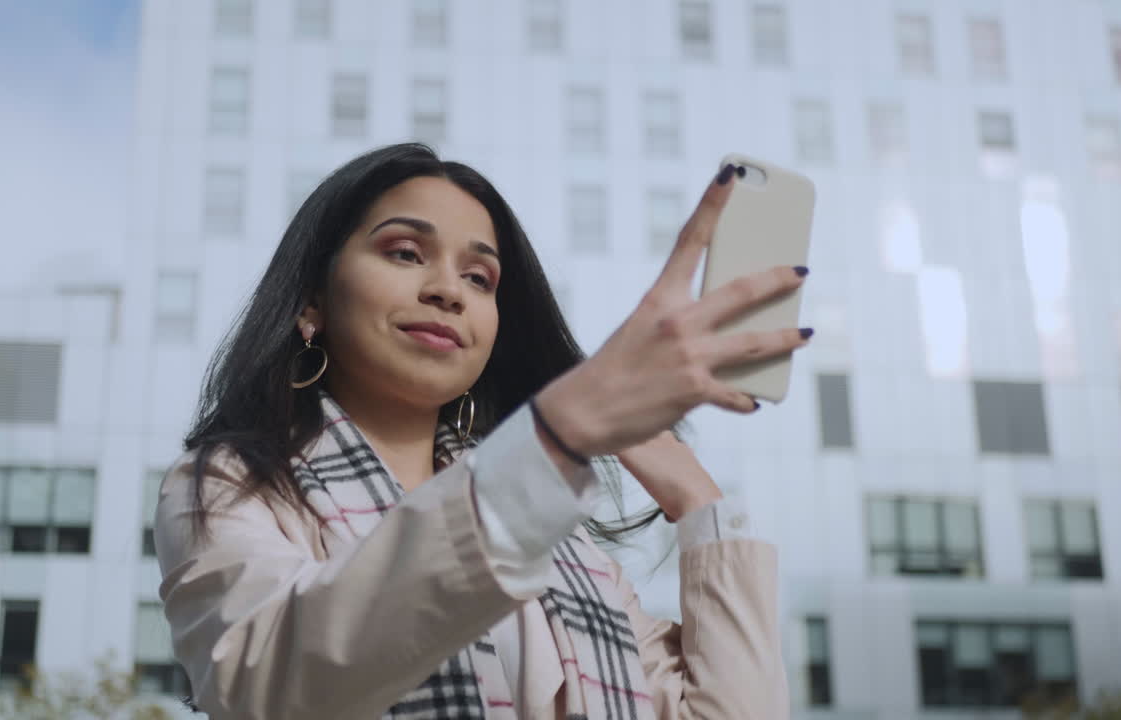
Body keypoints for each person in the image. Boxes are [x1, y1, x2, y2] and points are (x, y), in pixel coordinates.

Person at [153, 143, 812, 719]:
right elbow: (272, 682)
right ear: (312, 302)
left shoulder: (562, 544)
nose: (450, 290)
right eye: (405, 252)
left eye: (479, 277)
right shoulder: (230, 485)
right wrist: (561, 430)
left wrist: (695, 496)